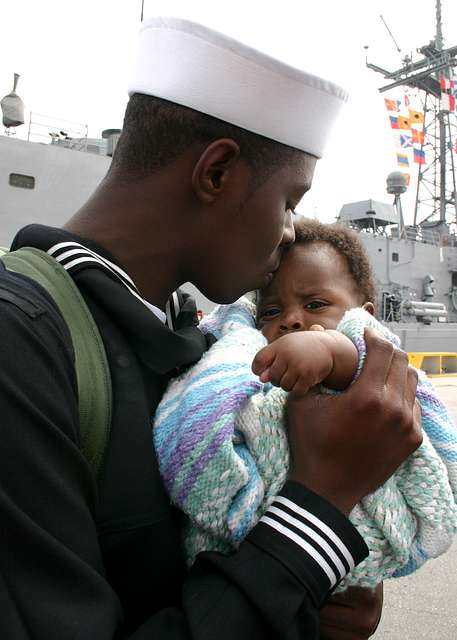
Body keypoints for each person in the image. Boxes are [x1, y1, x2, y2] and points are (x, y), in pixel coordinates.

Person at [0, 17, 421, 640]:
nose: (287, 235)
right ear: (216, 173)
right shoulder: (20, 347)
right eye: (290, 202)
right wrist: (319, 519)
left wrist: (316, 596)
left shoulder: (198, 346)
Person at [153, 217, 457, 592]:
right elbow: (206, 415)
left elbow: (373, 360)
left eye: (315, 304)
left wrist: (333, 351)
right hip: (255, 560)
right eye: (270, 312)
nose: (291, 320)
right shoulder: (249, 361)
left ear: (363, 312)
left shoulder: (360, 343)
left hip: (335, 540)